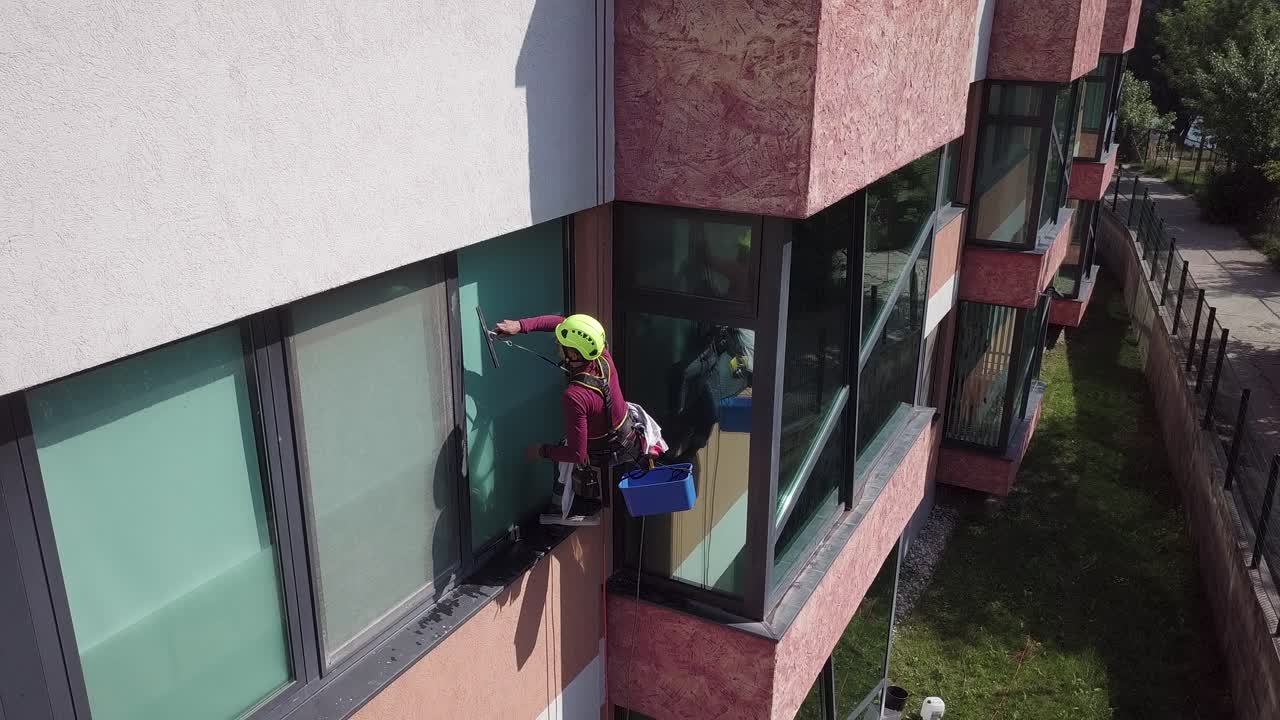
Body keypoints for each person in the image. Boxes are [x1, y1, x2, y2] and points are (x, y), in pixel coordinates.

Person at [493, 313, 644, 526]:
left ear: (572, 354)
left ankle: (559, 512)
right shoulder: (602, 355)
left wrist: (541, 451)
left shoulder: (575, 396)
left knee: (563, 455)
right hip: (628, 433)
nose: (557, 345)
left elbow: (577, 453)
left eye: (560, 344)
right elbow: (562, 323)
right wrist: (520, 326)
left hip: (610, 449)